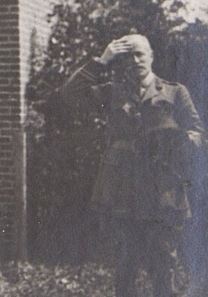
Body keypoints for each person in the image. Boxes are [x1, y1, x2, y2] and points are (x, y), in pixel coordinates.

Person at [60, 34, 206, 297]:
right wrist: (101, 60)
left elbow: (198, 133)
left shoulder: (174, 92)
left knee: (164, 268)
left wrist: (175, 142)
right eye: (128, 57)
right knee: (125, 270)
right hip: (123, 194)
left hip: (163, 194)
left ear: (151, 56)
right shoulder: (113, 92)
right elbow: (70, 95)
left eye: (140, 54)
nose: (136, 60)